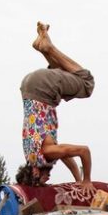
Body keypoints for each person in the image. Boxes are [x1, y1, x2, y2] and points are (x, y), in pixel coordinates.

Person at [17, 22, 95, 192]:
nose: (48, 180)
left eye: (42, 181)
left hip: (42, 88)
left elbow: (84, 151)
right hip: (31, 88)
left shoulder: (46, 152)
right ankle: (44, 45)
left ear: (35, 173)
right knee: (66, 73)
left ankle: (47, 47)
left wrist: (88, 180)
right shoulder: (34, 155)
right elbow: (66, 155)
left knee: (86, 83)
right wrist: (78, 180)